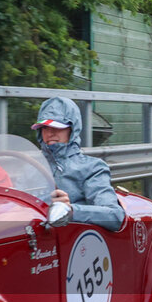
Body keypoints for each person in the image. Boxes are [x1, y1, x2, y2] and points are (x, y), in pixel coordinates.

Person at [32, 97, 125, 231]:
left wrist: (70, 211)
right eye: (45, 128)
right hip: (32, 237)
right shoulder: (31, 167)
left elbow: (115, 216)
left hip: (73, 241)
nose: (50, 133)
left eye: (57, 127)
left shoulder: (92, 168)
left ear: (72, 130)